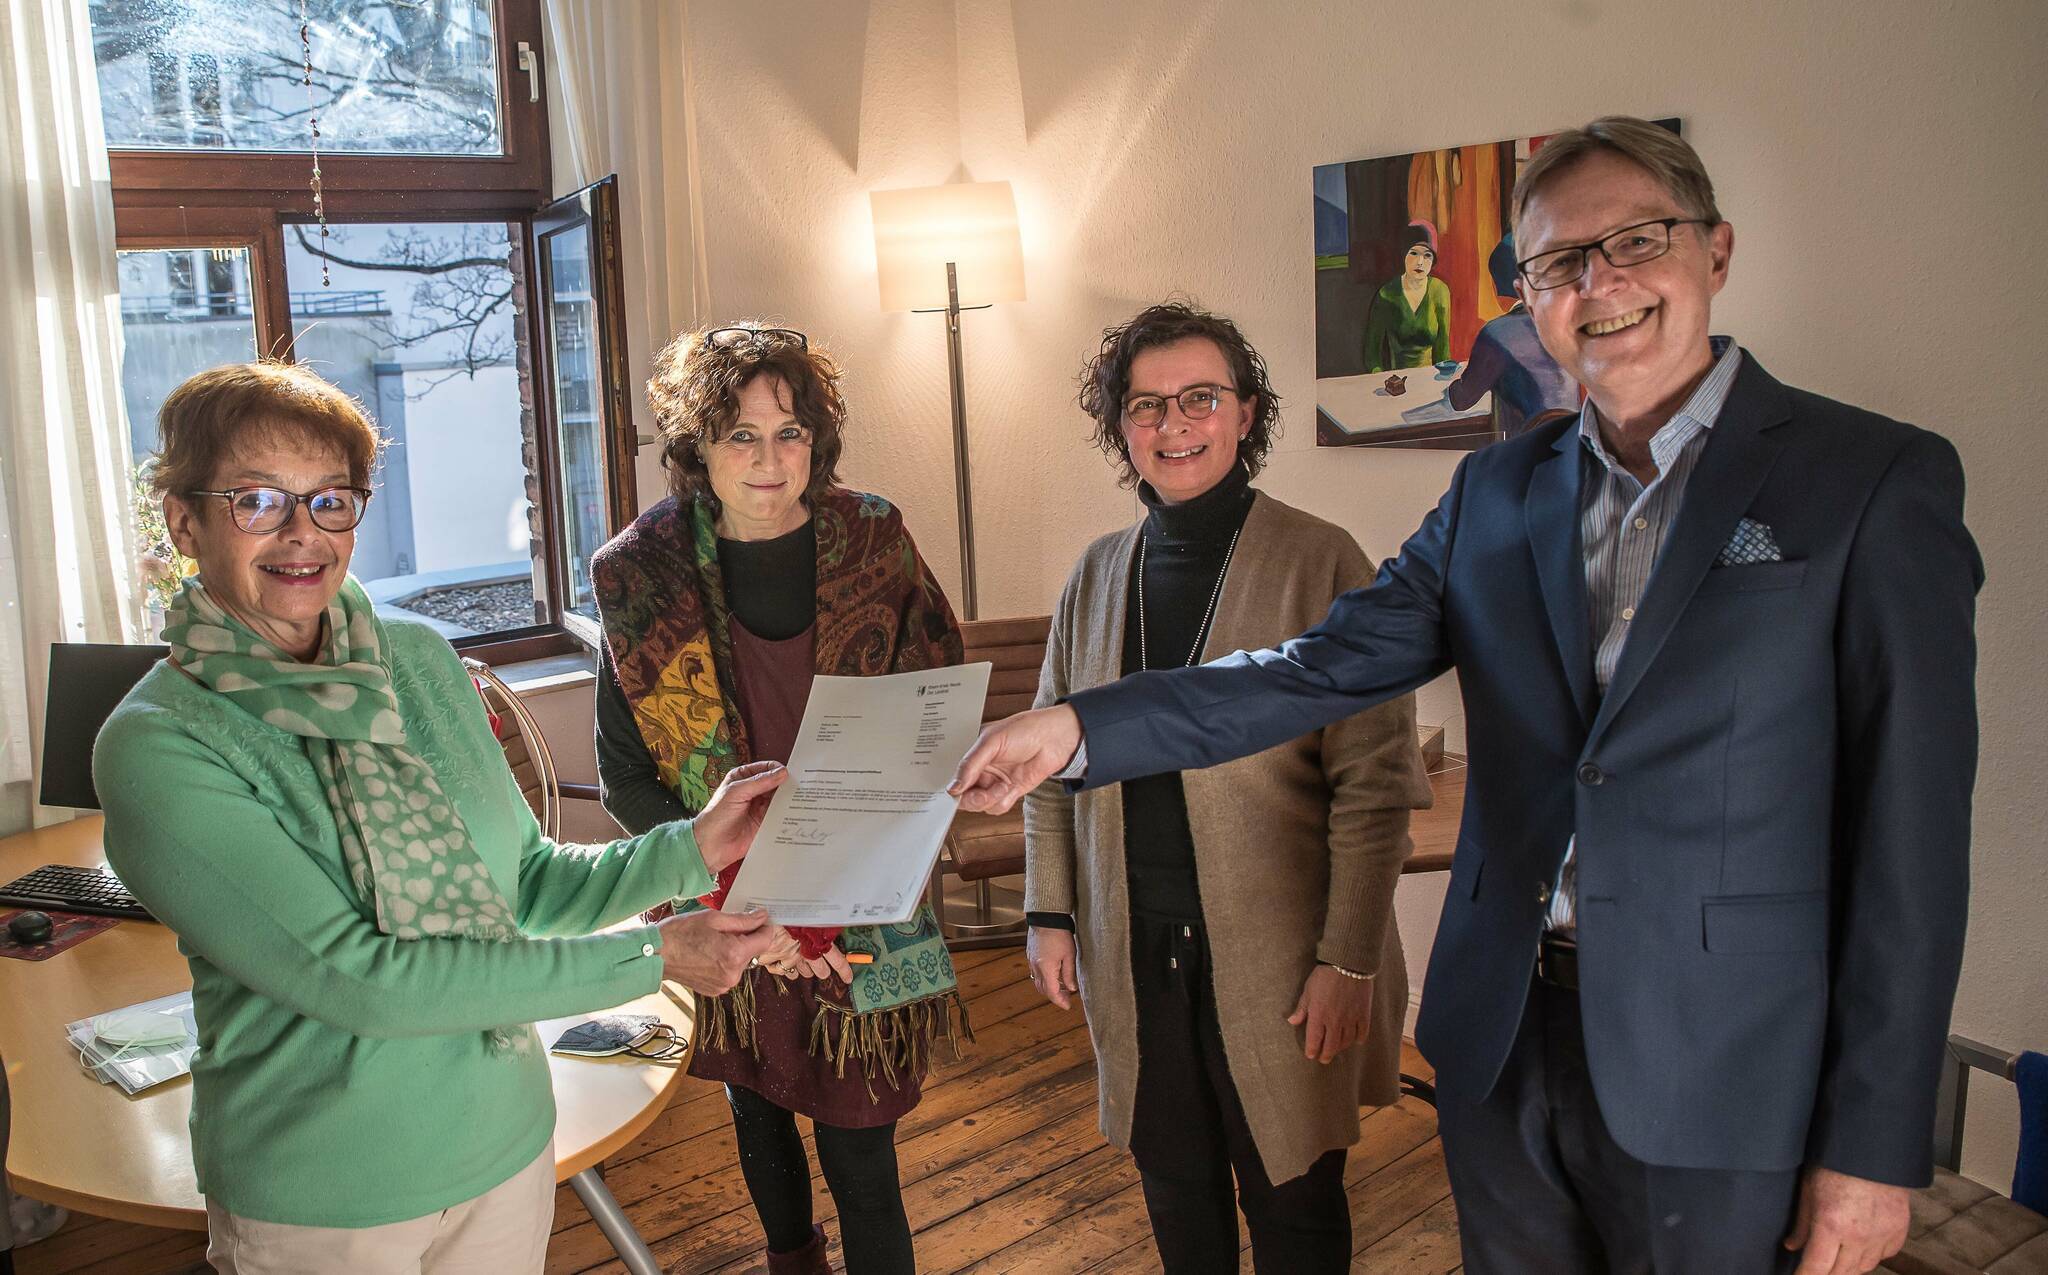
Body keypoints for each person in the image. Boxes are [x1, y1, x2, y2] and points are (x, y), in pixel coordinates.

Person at [951, 116, 1981, 1275]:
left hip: (1726, 1063)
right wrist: (1076, 726)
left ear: (1715, 250)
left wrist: (1872, 1145)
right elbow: (1312, 669)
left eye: (1635, 241)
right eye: (1556, 263)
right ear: (1527, 300)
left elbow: (1910, 843)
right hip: (1502, 1045)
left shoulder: (1867, 479)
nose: (1597, 283)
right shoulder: (1496, 488)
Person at [93, 361, 787, 1274]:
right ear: (184, 521)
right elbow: (366, 983)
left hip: (505, 1147)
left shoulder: (416, 659)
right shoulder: (159, 744)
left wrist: (695, 843)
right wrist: (655, 957)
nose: (303, 534)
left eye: (330, 500)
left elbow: (525, 881)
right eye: (257, 500)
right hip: (326, 1202)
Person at [1024, 302, 1430, 1273]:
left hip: (1283, 958)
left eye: (1200, 399)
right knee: (1176, 1192)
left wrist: (1349, 961)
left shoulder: (1322, 558)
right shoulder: (1095, 575)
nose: (1174, 424)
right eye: (1146, 405)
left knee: (1295, 1203)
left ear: (1245, 414)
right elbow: (1047, 762)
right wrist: (1050, 912)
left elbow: (1375, 787)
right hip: (1134, 947)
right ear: (1120, 428)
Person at [591, 323, 966, 1275]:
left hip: (863, 899)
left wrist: (824, 902)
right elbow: (627, 776)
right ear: (698, 447)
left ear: (817, 440)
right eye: (741, 436)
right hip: (722, 901)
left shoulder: (875, 540)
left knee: (862, 1149)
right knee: (757, 1117)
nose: (769, 460)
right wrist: (747, 897)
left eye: (790, 432)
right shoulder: (641, 574)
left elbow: (932, 716)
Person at [1443, 233, 1582, 438]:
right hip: (1572, 443)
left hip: (1520, 447)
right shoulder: (1566, 322)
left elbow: (1461, 401)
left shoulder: (1497, 333)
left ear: (1497, 286)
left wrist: (1454, 383)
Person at [1362, 219, 1452, 372]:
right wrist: (1381, 378)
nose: (1420, 262)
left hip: (1430, 378)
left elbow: (1443, 348)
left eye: (1427, 255)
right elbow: (1372, 353)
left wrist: (1443, 378)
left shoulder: (1439, 291)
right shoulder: (1387, 294)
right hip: (1396, 380)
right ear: (1403, 255)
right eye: (1414, 253)